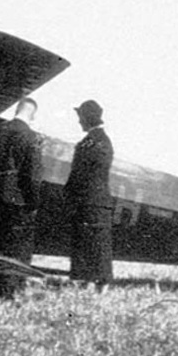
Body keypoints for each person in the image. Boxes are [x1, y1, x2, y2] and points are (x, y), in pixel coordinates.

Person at [0, 97, 43, 297]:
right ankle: (11, 291)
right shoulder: (30, 137)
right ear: (32, 114)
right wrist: (34, 202)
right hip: (19, 202)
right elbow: (32, 176)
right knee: (18, 247)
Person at [65, 99, 114, 288]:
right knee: (92, 243)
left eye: (80, 117)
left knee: (94, 243)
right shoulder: (99, 140)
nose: (79, 122)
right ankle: (90, 281)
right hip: (92, 201)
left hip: (90, 201)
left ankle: (99, 282)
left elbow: (83, 173)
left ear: (87, 118)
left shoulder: (95, 141)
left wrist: (69, 194)